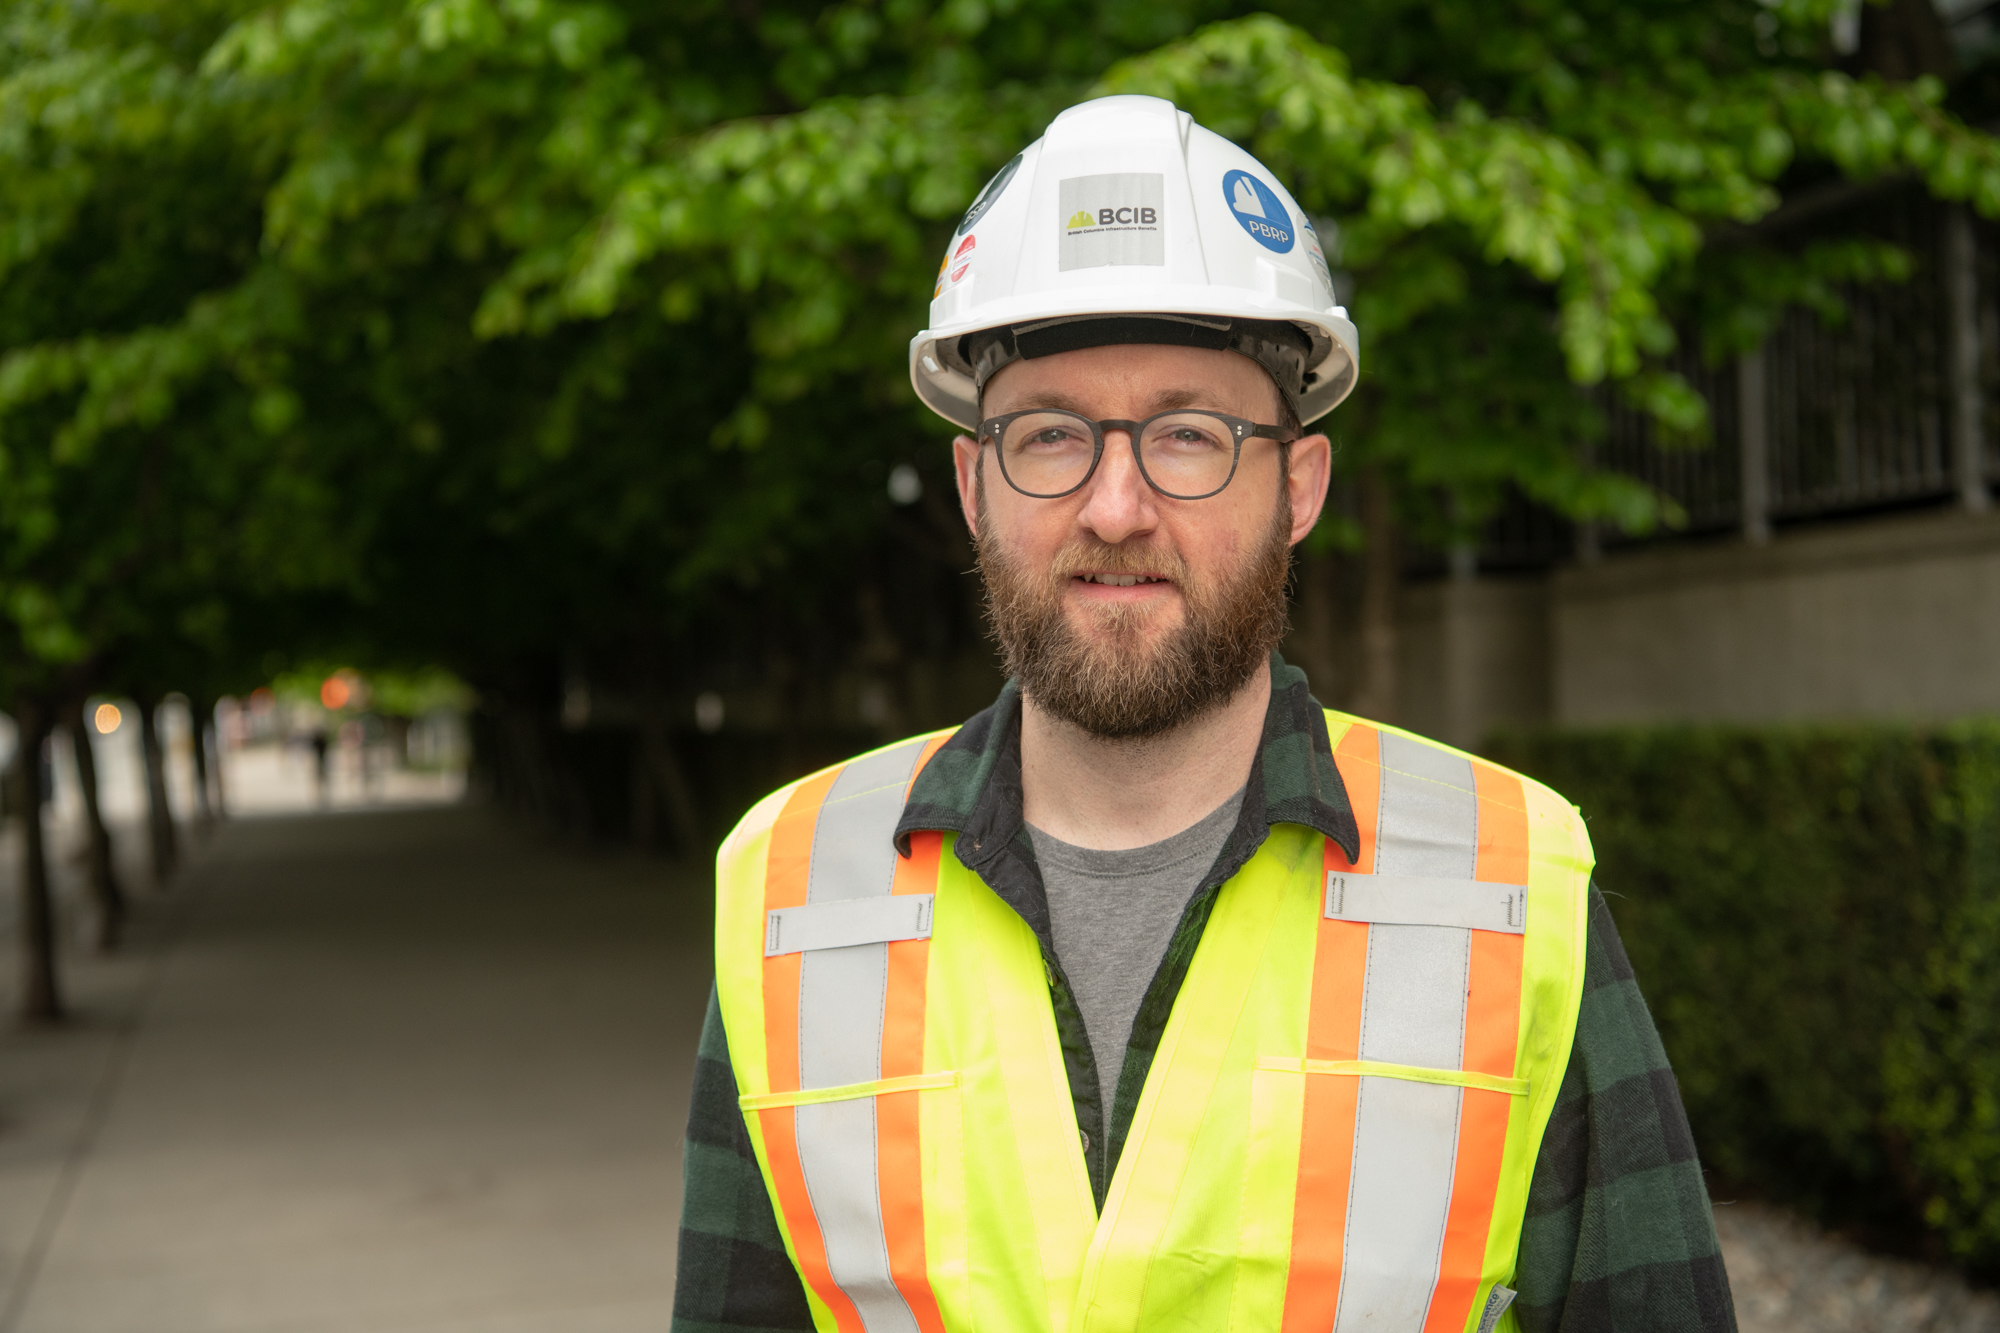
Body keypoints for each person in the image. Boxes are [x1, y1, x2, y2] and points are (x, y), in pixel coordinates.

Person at [675, 96, 1734, 1333]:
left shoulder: (1510, 881)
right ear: (972, 485)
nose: (1115, 506)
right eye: (1050, 436)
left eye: (1187, 435)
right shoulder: (794, 888)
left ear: (1298, 486)